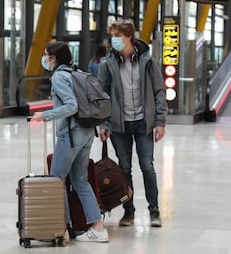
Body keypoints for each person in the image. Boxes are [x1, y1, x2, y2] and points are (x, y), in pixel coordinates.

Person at [32, 41, 109, 243]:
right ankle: (98, 228)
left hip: (71, 133)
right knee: (80, 181)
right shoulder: (76, 72)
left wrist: (45, 115)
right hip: (85, 132)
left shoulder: (58, 76)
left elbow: (71, 106)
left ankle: (62, 229)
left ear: (54, 58)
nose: (44, 58)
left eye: (46, 55)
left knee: (57, 181)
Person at [97, 20, 168, 228]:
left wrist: (160, 121)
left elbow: (159, 91)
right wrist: (103, 123)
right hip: (119, 125)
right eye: (112, 36)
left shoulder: (147, 61)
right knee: (124, 168)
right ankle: (128, 211)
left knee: (147, 166)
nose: (114, 40)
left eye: (117, 36)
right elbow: (101, 95)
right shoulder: (107, 63)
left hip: (143, 122)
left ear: (129, 37)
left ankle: (154, 210)